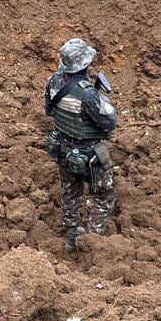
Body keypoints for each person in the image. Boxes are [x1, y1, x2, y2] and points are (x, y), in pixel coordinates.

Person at [43, 37, 118, 252]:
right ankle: (92, 241)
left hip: (63, 149)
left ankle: (72, 234)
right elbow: (109, 122)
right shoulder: (88, 93)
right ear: (85, 64)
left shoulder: (53, 82)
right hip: (89, 154)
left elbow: (49, 110)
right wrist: (101, 100)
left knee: (70, 190)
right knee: (103, 195)